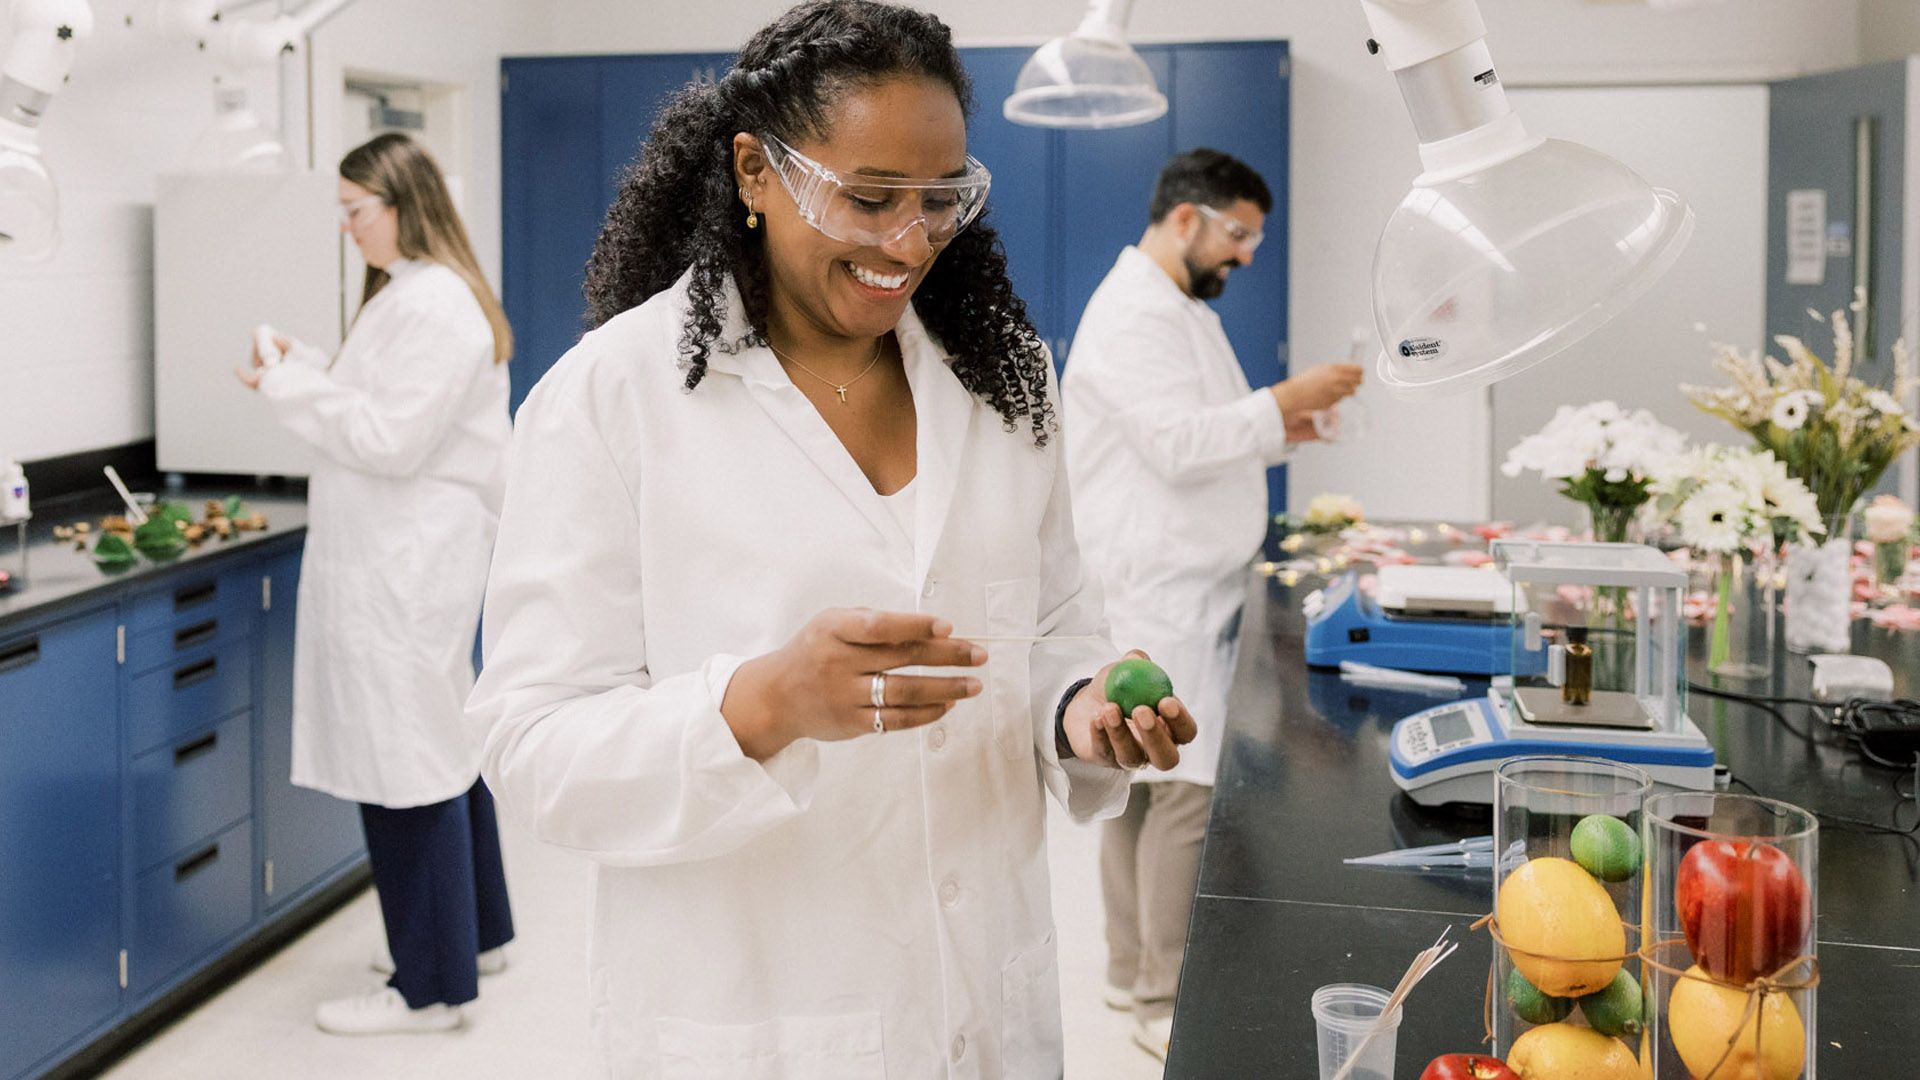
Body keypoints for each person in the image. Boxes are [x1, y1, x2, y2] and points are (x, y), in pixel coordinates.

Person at [464, 2, 1199, 1075]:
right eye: (867, 198)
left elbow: (1051, 623)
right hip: (757, 1014)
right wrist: (759, 704)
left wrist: (1077, 710)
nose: (910, 243)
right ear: (757, 173)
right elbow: (529, 746)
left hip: (983, 998)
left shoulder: (1002, 381)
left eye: (941, 199)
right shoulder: (608, 400)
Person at [1061, 147, 1363, 1061]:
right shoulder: (1132, 314)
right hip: (1155, 587)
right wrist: (1284, 399)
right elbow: (1179, 444)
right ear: (1185, 219)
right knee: (1178, 790)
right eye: (1238, 234)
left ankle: (1127, 969)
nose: (1244, 256)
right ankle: (1160, 996)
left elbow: (1205, 435)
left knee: (1135, 788)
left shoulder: (1174, 308)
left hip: (1178, 579)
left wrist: (1283, 421)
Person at [237, 132, 516, 1036]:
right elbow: (382, 406)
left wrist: (286, 385)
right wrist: (308, 367)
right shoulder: (418, 298)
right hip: (408, 561)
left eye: (358, 211)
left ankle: (428, 990)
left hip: (405, 567)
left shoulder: (436, 307)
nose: (349, 229)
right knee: (438, 747)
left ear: (405, 203)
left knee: (406, 763)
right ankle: (475, 939)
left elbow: (389, 439)